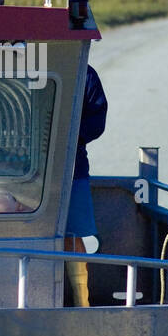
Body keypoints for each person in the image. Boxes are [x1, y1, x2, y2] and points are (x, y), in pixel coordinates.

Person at [65, 65, 107, 307]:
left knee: (72, 235)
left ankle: (83, 303)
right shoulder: (15, 64)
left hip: (73, 168)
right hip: (18, 167)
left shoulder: (84, 73)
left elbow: (97, 118)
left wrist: (69, 135)